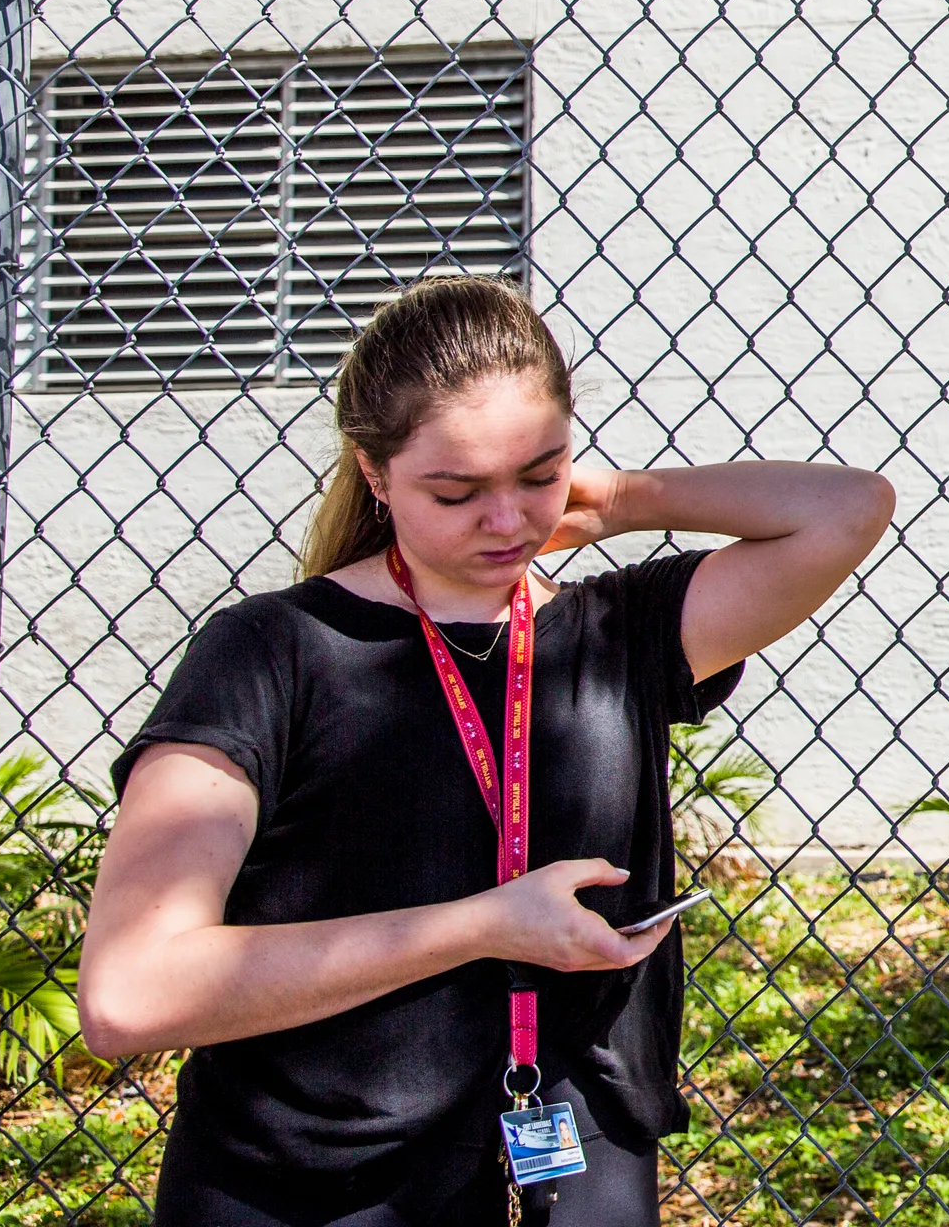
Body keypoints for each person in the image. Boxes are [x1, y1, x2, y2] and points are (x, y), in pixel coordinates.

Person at [81, 277, 897, 1226]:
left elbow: (848, 509)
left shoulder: (618, 631)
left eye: (539, 474)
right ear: (374, 474)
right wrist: (482, 925)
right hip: (315, 1182)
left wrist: (622, 500)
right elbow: (131, 994)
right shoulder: (270, 652)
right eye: (457, 492)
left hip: (573, 1148)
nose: (507, 523)